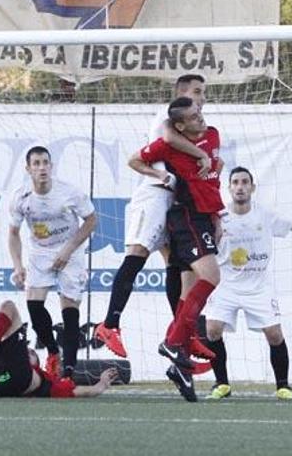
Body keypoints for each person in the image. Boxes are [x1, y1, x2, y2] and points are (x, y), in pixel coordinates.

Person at [96, 74, 217, 361]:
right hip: (153, 194)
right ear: (182, 92)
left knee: (177, 264)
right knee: (137, 253)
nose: (202, 98)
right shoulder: (170, 113)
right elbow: (166, 138)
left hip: (174, 201)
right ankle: (109, 324)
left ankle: (182, 334)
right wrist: (201, 156)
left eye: (203, 93)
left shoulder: (199, 125)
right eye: (198, 92)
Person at [203, 167, 292, 400]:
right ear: (229, 188)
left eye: (245, 182)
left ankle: (283, 386)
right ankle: (221, 384)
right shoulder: (218, 216)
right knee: (212, 330)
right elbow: (203, 240)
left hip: (258, 287)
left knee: (274, 334)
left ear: (252, 187)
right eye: (235, 182)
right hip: (226, 285)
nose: (240, 186)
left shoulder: (265, 215)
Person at [128, 96, 224, 402]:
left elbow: (212, 178)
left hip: (205, 218)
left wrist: (217, 216)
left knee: (189, 289)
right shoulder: (169, 144)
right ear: (180, 125)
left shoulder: (213, 134)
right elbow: (135, 159)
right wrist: (162, 176)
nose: (201, 119)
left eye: (201, 113)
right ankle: (174, 340)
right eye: (194, 117)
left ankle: (179, 359)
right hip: (186, 217)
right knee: (211, 278)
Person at [8, 146, 97, 378]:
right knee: (34, 306)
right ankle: (52, 352)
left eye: (45, 162)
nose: (42, 168)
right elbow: (13, 234)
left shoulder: (69, 192)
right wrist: (18, 266)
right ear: (28, 169)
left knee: (69, 309)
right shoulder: (21, 196)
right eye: (36, 163)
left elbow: (91, 220)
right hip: (40, 252)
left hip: (71, 251)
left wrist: (68, 249)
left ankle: (68, 370)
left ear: (51, 165)